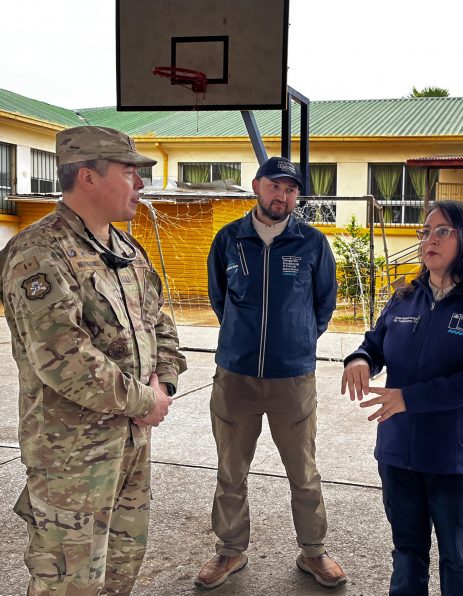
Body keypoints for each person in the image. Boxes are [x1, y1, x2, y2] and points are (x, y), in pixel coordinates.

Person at [0, 125, 187, 594]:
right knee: (69, 582)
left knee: (121, 570)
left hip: (130, 446)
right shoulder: (39, 253)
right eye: (130, 172)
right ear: (88, 177)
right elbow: (64, 360)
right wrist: (145, 401)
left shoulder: (126, 250)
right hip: (71, 459)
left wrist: (164, 381)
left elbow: (158, 320)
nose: (140, 184)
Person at [341, 200, 463, 596]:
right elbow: (374, 344)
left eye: (442, 231)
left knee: (459, 557)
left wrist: (409, 398)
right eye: (425, 232)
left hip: (453, 458)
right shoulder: (405, 297)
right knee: (407, 554)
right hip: (398, 454)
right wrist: (360, 359)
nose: (428, 240)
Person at [198, 156, 344, 589]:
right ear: (258, 186)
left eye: (292, 189)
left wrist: (295, 341)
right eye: (276, 186)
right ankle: (229, 551)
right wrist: (244, 341)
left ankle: (313, 553)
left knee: (304, 472)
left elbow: (324, 305)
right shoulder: (229, 240)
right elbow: (219, 299)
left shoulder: (313, 244)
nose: (283, 196)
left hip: (292, 379)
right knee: (230, 470)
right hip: (235, 377)